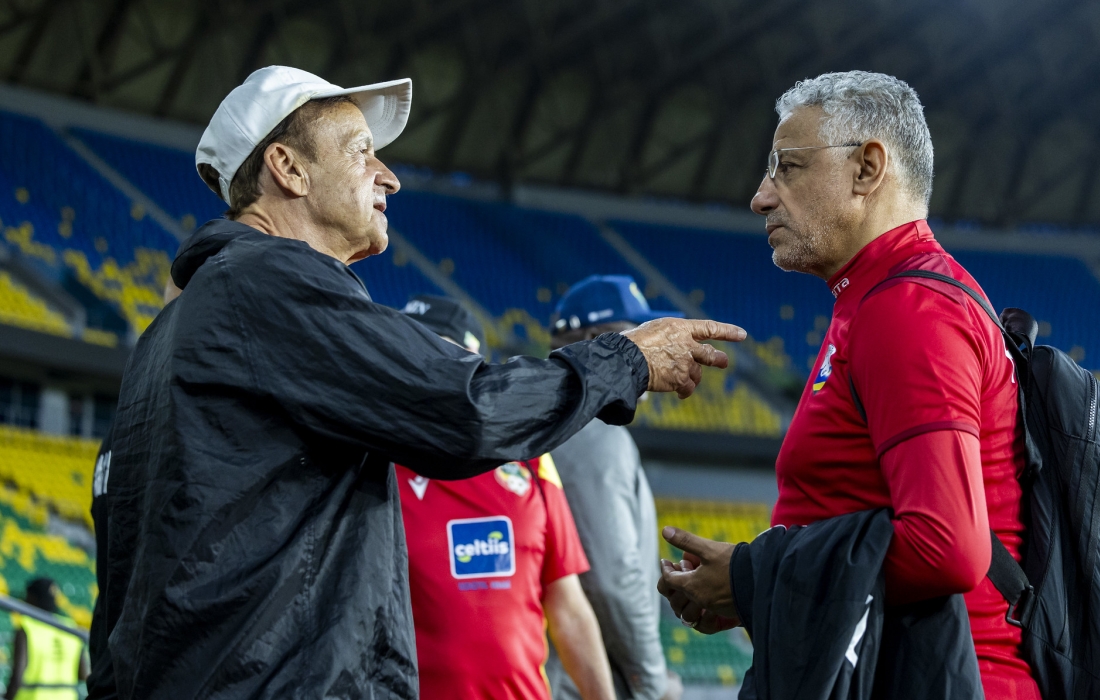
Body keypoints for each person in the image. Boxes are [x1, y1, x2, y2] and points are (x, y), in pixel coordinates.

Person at [93, 65, 744, 700]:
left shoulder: (169, 332)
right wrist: (625, 358)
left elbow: (120, 585)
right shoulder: (271, 286)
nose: (390, 178)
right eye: (361, 152)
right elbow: (470, 410)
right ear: (287, 168)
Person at [656, 70, 1039, 699]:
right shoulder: (878, 300)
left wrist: (754, 579)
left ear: (867, 168)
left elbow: (948, 549)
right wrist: (754, 594)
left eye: (788, 167)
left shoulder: (909, 309)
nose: (760, 196)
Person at [395, 294, 614, 700]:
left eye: (444, 351)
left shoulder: (530, 462)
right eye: (413, 352)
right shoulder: (371, 466)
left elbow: (567, 604)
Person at [543, 276, 681, 700]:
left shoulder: (548, 418)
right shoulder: (592, 431)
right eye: (638, 335)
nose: (652, 348)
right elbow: (613, 580)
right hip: (584, 682)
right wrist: (652, 681)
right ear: (597, 340)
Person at [5, 578, 87, 700]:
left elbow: (18, 676)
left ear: (32, 598)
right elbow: (83, 674)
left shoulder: (27, 628)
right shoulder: (71, 628)